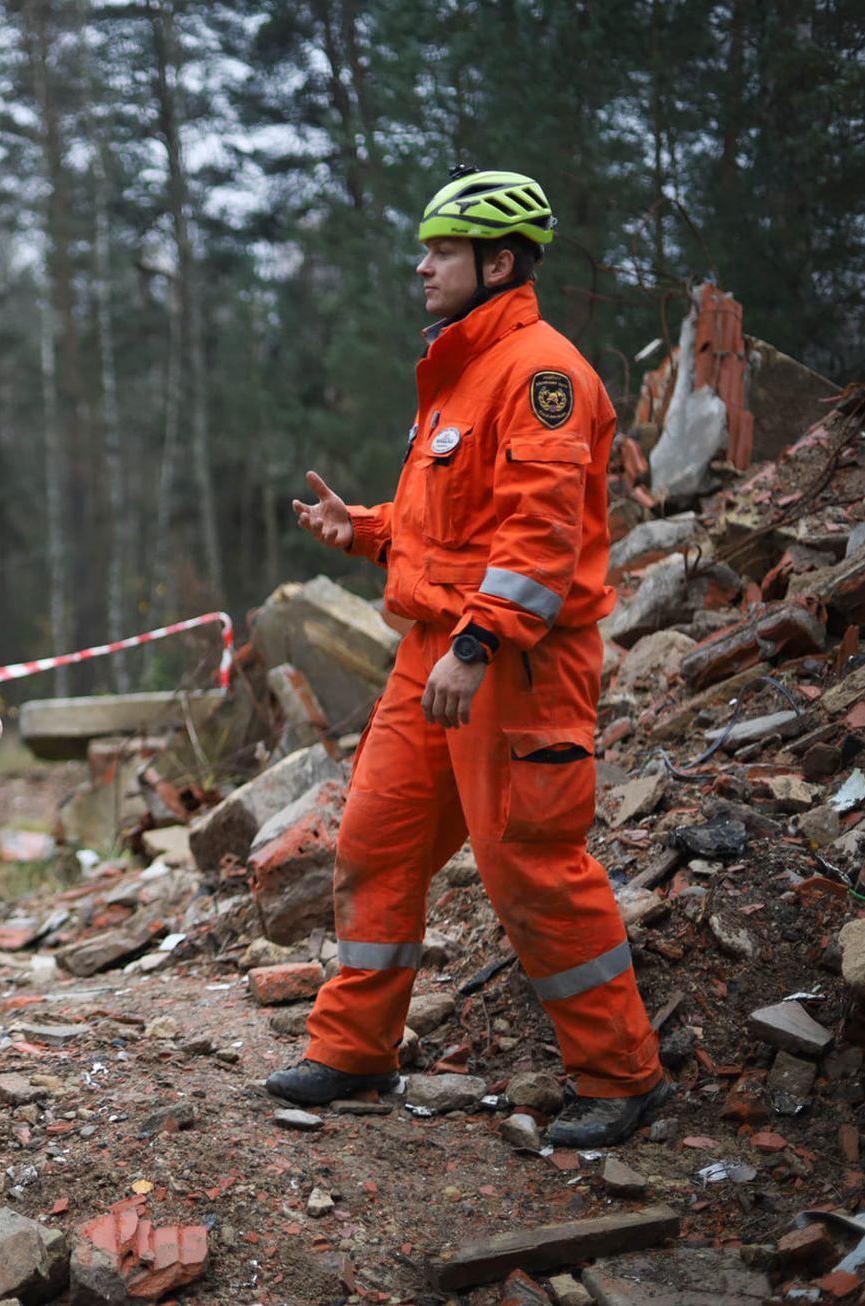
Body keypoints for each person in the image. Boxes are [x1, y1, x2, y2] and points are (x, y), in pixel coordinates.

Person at [271, 167, 669, 1147]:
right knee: (375, 842)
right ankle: (356, 1049)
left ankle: (622, 1078)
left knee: (531, 863)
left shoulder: (543, 374)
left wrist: (480, 640)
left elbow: (537, 536)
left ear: (498, 261)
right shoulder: (457, 371)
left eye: (441, 250)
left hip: (511, 663)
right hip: (431, 653)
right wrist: (360, 528)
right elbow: (447, 526)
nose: (422, 266)